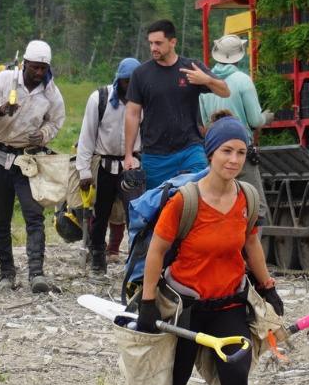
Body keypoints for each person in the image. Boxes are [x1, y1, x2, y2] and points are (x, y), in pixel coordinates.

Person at [136, 113, 284, 385]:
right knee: (175, 380)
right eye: (226, 151)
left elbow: (251, 244)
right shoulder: (185, 201)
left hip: (228, 302)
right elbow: (157, 250)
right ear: (210, 153)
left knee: (236, 374)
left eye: (240, 152)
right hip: (185, 306)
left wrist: (267, 287)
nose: (234, 160)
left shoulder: (246, 198)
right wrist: (149, 302)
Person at [0, 39, 65, 293]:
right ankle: (6, 272)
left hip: (28, 160)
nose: (39, 73)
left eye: (43, 69)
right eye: (35, 67)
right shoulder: (4, 80)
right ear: (25, 63)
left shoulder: (51, 92)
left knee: (34, 215)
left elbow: (56, 121)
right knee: (0, 217)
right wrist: (1, 109)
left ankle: (36, 273)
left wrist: (44, 134)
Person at [123, 19, 230, 190]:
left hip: (190, 149)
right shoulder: (141, 74)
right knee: (158, 208)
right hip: (155, 154)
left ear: (173, 42)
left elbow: (225, 91)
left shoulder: (191, 67)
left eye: (158, 43)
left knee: (200, 197)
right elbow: (132, 114)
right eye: (150, 43)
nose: (153, 48)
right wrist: (128, 154)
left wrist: (207, 79)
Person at [75, 57, 141, 274]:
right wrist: (83, 171)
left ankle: (136, 260)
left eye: (134, 82)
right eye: (126, 82)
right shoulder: (100, 99)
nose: (129, 86)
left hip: (133, 166)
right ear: (118, 80)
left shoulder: (145, 103)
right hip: (105, 164)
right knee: (100, 213)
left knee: (135, 215)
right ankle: (97, 257)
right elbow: (87, 135)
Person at [199, 34, 272, 223]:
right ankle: (251, 249)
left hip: (215, 152)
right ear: (240, 55)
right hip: (240, 153)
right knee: (257, 207)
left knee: (220, 202)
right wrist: (268, 117)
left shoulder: (206, 82)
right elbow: (255, 120)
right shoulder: (242, 80)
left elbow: (205, 122)